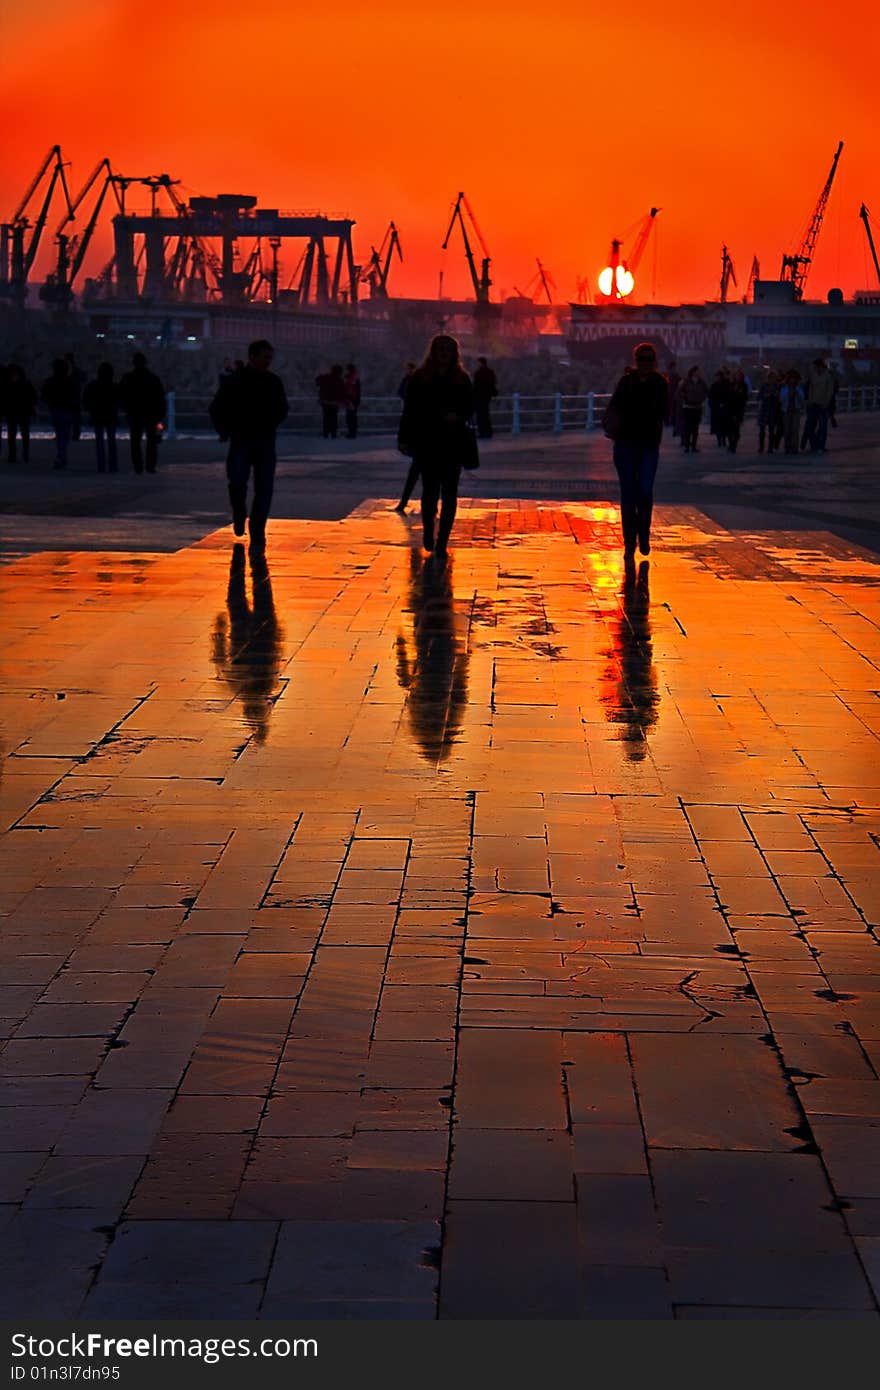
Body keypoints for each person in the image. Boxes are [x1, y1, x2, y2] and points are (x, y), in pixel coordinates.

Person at [397, 334, 474, 559]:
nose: (443, 354)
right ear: (433, 351)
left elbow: (470, 408)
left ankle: (442, 542)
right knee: (430, 491)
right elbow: (409, 410)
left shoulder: (462, 379)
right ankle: (429, 531)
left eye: (447, 350)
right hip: (427, 441)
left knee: (450, 493)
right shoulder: (419, 378)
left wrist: (457, 416)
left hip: (452, 442)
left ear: (453, 353)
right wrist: (403, 438)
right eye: (440, 350)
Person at [210, 338, 288, 553]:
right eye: (265, 357)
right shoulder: (235, 381)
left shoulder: (273, 382)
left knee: (264, 488)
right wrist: (225, 431)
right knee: (237, 482)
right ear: (252, 357)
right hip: (242, 440)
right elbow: (217, 408)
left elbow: (282, 409)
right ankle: (239, 512)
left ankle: (257, 530)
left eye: (270, 358)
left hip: (263, 441)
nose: (268, 362)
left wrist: (270, 423)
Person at [605, 341, 669, 559]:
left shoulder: (660, 383)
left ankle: (644, 534)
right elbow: (614, 406)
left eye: (649, 359)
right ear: (636, 360)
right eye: (642, 359)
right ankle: (629, 541)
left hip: (649, 444)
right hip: (625, 443)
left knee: (645, 490)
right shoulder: (626, 381)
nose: (645, 363)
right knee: (629, 493)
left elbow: (663, 410)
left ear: (654, 361)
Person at [119, 352, 166, 474]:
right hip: (151, 414)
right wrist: (161, 416)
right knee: (152, 441)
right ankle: (150, 466)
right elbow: (160, 397)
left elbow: (122, 395)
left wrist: (126, 409)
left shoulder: (128, 378)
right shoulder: (153, 378)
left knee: (135, 441)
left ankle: (138, 467)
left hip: (134, 414)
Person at [41, 359, 78, 470]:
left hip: (55, 409)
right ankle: (61, 456)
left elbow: (45, 395)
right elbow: (75, 396)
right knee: (64, 435)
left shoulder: (50, 381)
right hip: (67, 410)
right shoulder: (70, 381)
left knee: (60, 434)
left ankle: (61, 456)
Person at [83, 363, 119, 473]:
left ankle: (101, 465)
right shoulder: (114, 386)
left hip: (97, 415)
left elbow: (86, 398)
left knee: (99, 441)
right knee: (111, 441)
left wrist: (90, 408)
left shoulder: (93, 385)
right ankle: (113, 466)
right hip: (110, 415)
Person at [4, 365, 37, 463]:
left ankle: (23, 454)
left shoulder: (22, 384)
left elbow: (33, 397)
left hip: (22, 412)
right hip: (15, 412)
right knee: (13, 435)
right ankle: (13, 455)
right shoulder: (11, 384)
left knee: (23, 435)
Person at [802, 357, 835, 454]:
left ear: (821, 366)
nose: (815, 368)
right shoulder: (812, 375)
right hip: (812, 404)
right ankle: (814, 445)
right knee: (810, 426)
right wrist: (808, 400)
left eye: (816, 366)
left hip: (823, 405)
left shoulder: (828, 376)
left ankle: (820, 446)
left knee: (822, 427)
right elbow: (809, 389)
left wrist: (826, 402)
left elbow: (830, 391)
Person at [678, 365, 707, 453]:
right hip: (688, 407)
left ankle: (694, 446)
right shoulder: (686, 381)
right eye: (697, 371)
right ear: (693, 372)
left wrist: (701, 398)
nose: (699, 373)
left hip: (697, 407)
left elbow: (706, 391)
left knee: (695, 428)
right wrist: (685, 398)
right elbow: (680, 392)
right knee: (688, 427)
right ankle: (687, 446)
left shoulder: (702, 382)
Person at [315, 364, 346, 438]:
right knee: (333, 418)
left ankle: (326, 433)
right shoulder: (339, 380)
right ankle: (333, 433)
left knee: (326, 417)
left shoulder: (326, 377)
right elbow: (342, 392)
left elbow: (317, 382)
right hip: (334, 402)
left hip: (325, 401)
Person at [779, 370, 805, 454]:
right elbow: (781, 399)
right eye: (791, 379)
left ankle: (794, 448)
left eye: (794, 379)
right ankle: (787, 447)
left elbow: (802, 400)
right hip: (786, 411)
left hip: (796, 411)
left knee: (795, 429)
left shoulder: (798, 388)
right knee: (787, 430)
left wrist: (796, 393)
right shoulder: (784, 388)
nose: (792, 381)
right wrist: (788, 394)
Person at [472, 356, 498, 438]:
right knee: (485, 414)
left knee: (480, 415)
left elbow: (475, 386)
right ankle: (489, 432)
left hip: (479, 396)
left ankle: (482, 432)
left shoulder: (478, 373)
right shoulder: (490, 372)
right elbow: (493, 383)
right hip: (487, 396)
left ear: (481, 363)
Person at [756, 372, 781, 454]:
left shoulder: (777, 386)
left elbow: (779, 397)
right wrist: (766, 395)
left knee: (771, 430)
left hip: (772, 410)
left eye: (773, 378)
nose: (772, 379)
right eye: (771, 378)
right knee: (762, 430)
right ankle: (761, 447)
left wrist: (776, 395)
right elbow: (759, 396)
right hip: (764, 409)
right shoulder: (764, 385)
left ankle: (770, 448)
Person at [64, 353, 85, 442]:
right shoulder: (78, 371)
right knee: (75, 418)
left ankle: (67, 434)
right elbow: (83, 379)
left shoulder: (65, 371)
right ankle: (75, 435)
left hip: (67, 397)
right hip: (75, 397)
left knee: (66, 418)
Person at [727, 369, 749, 454]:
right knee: (729, 429)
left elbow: (744, 397)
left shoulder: (744, 386)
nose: (738, 377)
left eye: (739, 376)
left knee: (736, 429)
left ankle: (734, 445)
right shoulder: (731, 385)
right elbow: (728, 396)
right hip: (730, 409)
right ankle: (731, 443)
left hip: (739, 410)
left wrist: (738, 393)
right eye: (737, 375)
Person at [343, 363, 361, 438]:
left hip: (351, 399)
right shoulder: (355, 378)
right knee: (352, 416)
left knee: (350, 416)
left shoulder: (351, 378)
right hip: (354, 400)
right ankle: (353, 432)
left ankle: (351, 432)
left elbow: (349, 389)